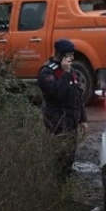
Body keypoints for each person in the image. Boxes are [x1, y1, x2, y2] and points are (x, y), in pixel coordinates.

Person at [37, 38, 88, 179]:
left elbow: (77, 95)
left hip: (71, 120)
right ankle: (57, 189)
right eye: (69, 55)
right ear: (60, 55)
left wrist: (83, 118)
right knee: (59, 159)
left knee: (69, 159)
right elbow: (57, 93)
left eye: (72, 55)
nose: (72, 58)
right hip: (57, 121)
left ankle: (65, 185)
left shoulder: (71, 70)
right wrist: (65, 73)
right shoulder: (47, 72)